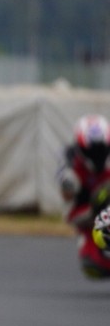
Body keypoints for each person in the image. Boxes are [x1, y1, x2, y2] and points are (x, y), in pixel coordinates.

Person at [57, 114, 110, 278]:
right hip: (88, 218)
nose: (97, 154)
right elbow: (70, 214)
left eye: (101, 150)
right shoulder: (70, 169)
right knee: (93, 266)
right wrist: (96, 210)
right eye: (93, 151)